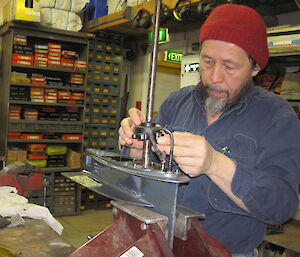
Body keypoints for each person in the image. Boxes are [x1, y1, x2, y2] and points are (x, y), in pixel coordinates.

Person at [118, 4, 300, 257]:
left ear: (255, 68)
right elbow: (150, 169)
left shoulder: (277, 117)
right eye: (208, 61)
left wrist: (215, 164)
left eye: (229, 66)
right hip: (161, 244)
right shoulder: (176, 102)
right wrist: (137, 148)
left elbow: (280, 206)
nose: (215, 76)